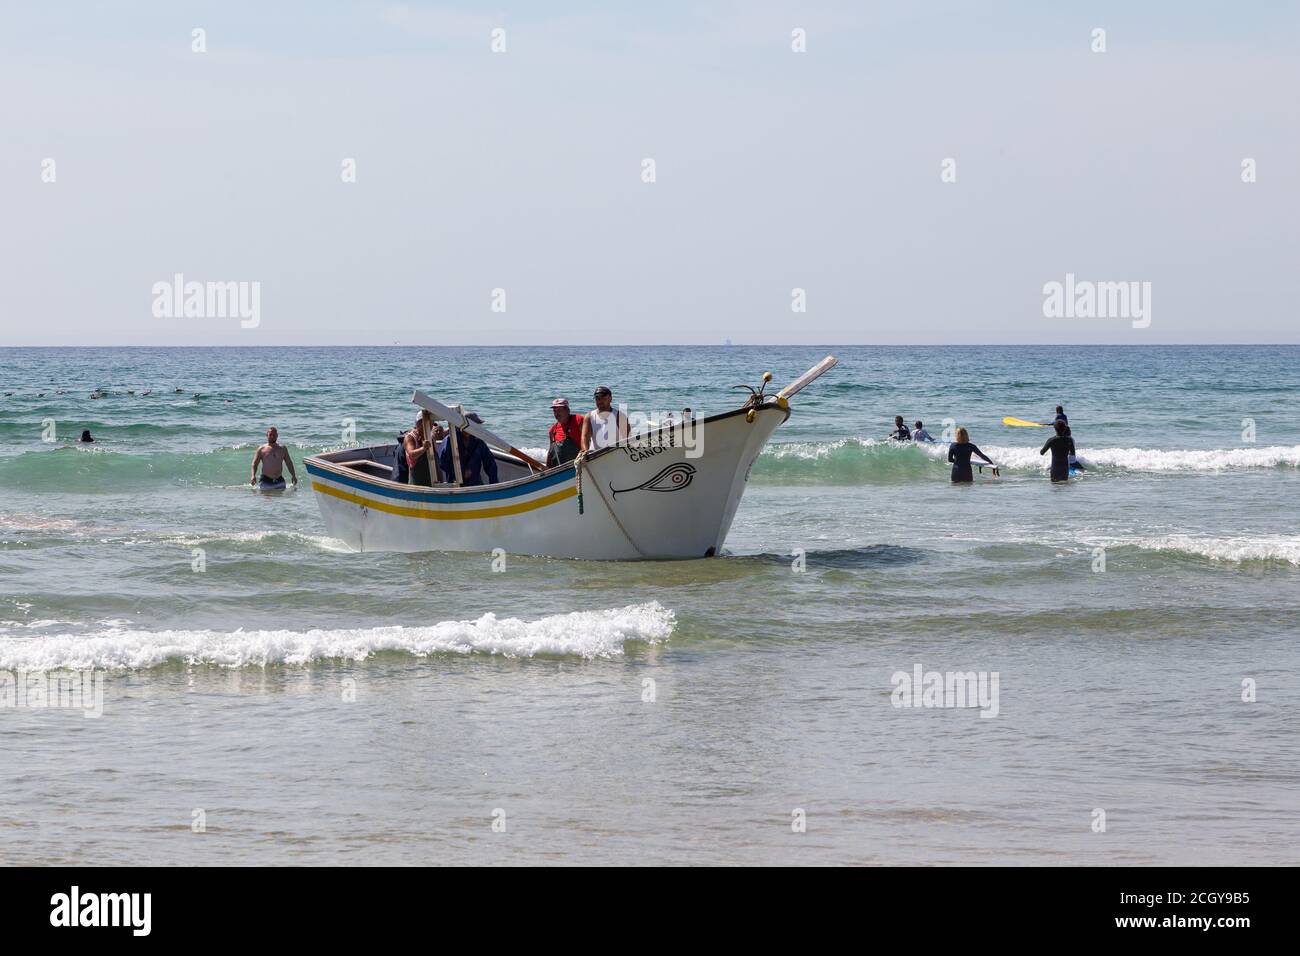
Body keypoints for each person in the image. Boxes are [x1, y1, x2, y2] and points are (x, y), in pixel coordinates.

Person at [581, 386, 629, 453]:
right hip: (595, 455)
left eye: (603, 398)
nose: (600, 401)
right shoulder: (589, 416)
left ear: (610, 399)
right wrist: (585, 451)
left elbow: (627, 438)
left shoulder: (620, 416)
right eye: (597, 398)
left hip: (615, 453)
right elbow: (585, 437)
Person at [403, 412, 446, 487]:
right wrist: (423, 448)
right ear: (419, 424)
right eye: (429, 423)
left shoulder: (431, 437)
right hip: (417, 487)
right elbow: (412, 454)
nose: (431, 426)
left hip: (434, 486)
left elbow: (436, 463)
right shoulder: (410, 438)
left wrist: (441, 484)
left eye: (432, 423)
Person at [546, 398, 584, 467]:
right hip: (561, 469)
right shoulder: (553, 430)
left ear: (567, 410)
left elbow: (590, 441)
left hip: (580, 466)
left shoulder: (578, 420)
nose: (557, 414)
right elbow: (550, 452)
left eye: (559, 410)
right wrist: (547, 469)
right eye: (555, 411)